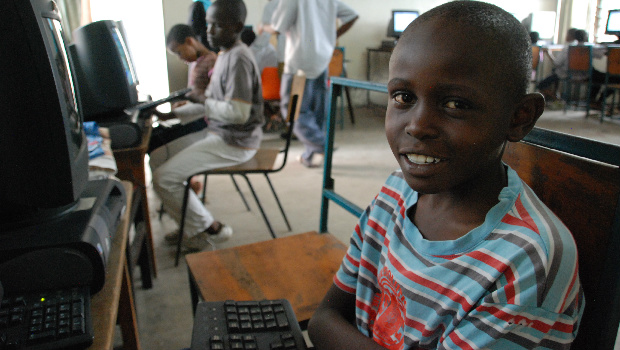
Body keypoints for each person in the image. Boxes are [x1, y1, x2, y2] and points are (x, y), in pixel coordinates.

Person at [307, 1, 584, 349]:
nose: (418, 125)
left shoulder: (526, 261)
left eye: (456, 104)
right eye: (403, 97)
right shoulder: (396, 191)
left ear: (520, 117)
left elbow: (329, 326)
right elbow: (322, 320)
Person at [151, 0, 264, 251]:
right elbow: (212, 104)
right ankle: (191, 224)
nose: (209, 32)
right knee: (156, 158)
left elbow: (237, 113)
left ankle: (209, 229)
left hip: (236, 142)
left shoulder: (238, 59)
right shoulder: (225, 55)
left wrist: (200, 99)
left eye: (217, 26)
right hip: (220, 133)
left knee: (162, 178)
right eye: (209, 25)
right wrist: (173, 116)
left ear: (235, 27)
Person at [264, 0, 358, 168]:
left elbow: (278, 27)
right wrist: (332, 36)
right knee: (316, 111)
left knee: (293, 110)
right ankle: (310, 155)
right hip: (322, 60)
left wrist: (263, 27)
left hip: (299, 64)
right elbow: (352, 16)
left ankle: (322, 145)